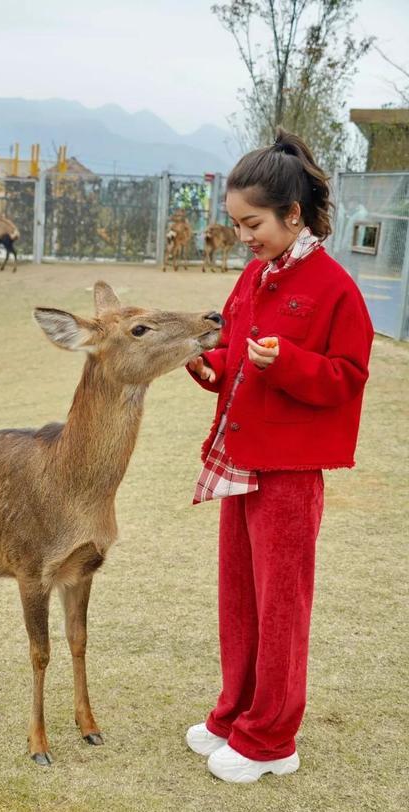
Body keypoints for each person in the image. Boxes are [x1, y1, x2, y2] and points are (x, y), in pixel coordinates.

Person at [185, 128, 374, 783]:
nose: (244, 236)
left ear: (292, 215)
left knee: (281, 606)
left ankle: (272, 740)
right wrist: (212, 365)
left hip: (290, 474)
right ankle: (235, 715)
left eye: (253, 223)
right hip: (240, 461)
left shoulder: (335, 288)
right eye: (237, 224)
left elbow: (348, 376)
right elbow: (235, 348)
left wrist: (288, 364)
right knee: (238, 598)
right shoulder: (253, 276)